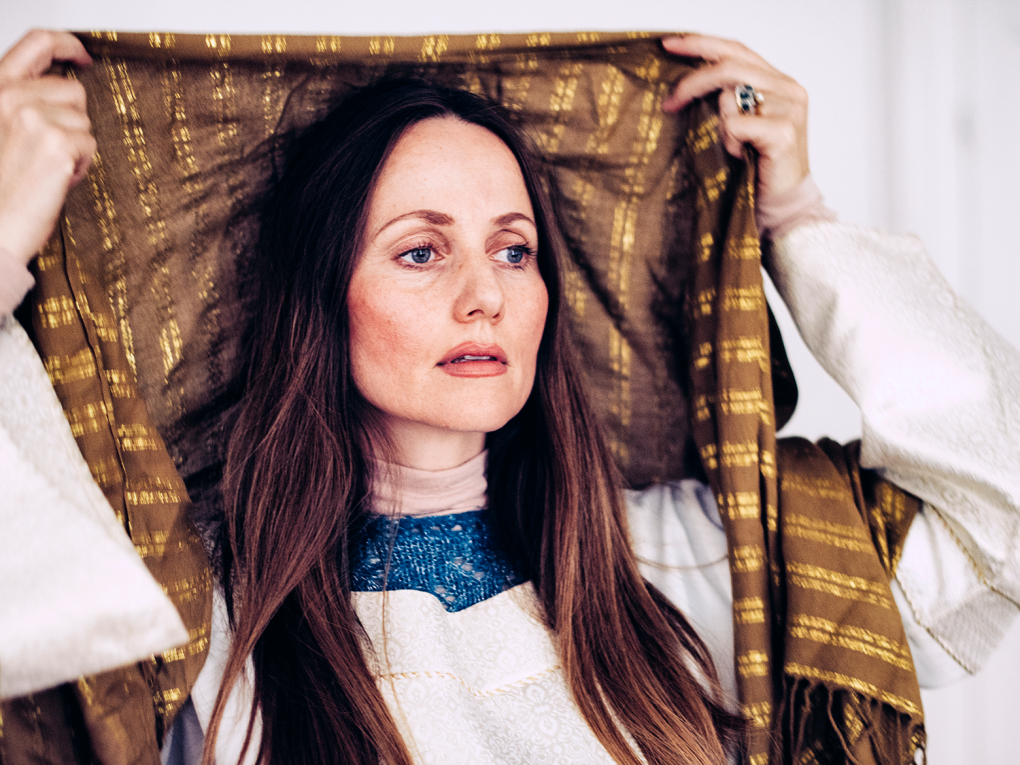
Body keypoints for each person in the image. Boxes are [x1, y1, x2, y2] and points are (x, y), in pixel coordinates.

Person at [1, 28, 1018, 765]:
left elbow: (994, 518)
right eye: (420, 251)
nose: (484, 294)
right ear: (322, 297)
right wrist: (3, 242)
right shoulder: (191, 617)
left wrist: (794, 210)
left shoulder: (701, 559)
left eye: (514, 249)